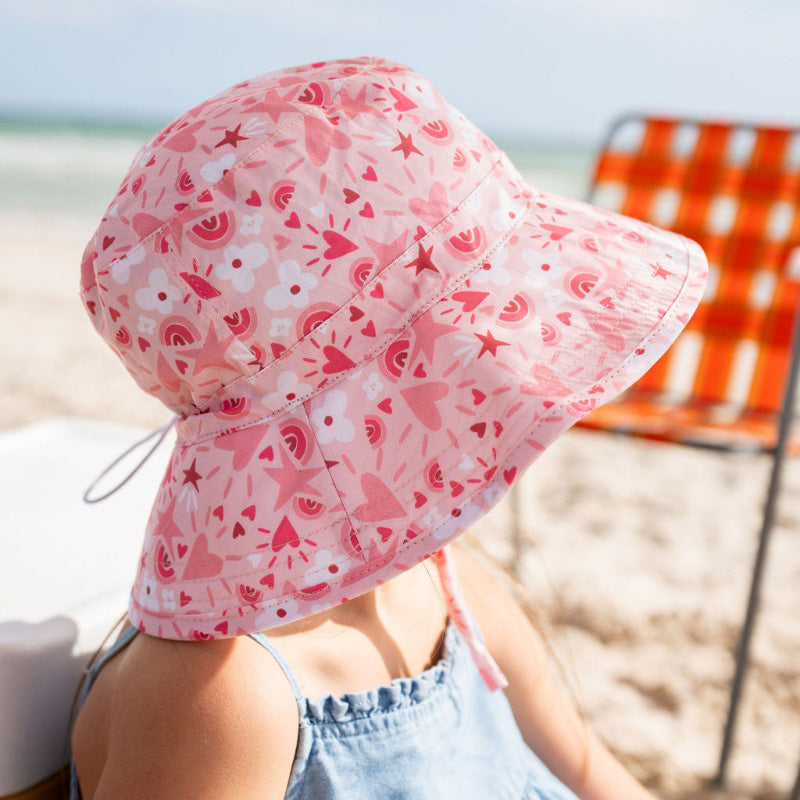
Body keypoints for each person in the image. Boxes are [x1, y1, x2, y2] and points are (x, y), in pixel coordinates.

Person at [68, 55, 708, 799]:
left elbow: (602, 783)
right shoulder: (224, 700)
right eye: (474, 353)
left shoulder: (447, 585)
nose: (512, 380)